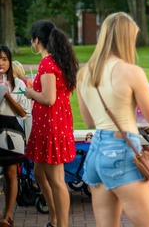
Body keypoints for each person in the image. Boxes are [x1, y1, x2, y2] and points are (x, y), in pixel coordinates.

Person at [77, 12, 149, 227]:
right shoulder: (131, 72)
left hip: (96, 152)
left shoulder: (84, 74)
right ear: (126, 38)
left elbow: (89, 121)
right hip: (121, 150)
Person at [24, 21, 79, 227]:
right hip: (52, 124)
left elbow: (49, 98)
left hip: (51, 125)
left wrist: (30, 92)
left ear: (37, 40)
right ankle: (54, 217)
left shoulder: (47, 64)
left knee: (56, 179)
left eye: (32, 39)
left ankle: (60, 223)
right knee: (39, 173)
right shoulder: (58, 61)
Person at [0, 46, 31, 227]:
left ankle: (7, 214)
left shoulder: (18, 85)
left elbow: (23, 113)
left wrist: (7, 96)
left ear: (9, 61)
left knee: (11, 173)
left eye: (4, 59)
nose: (1, 62)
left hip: (10, 131)